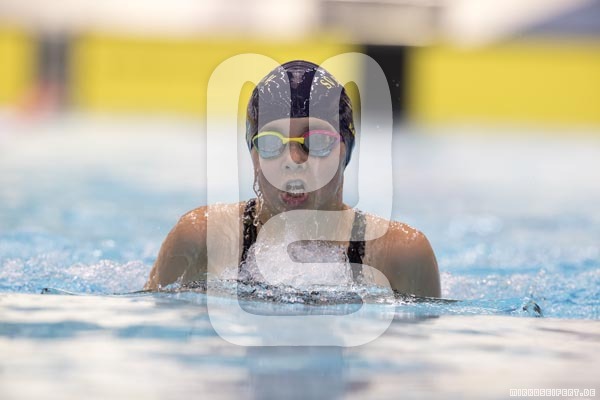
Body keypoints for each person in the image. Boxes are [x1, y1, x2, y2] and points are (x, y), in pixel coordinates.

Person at [144, 60, 441, 297]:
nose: (294, 161)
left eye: (316, 142)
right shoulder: (202, 238)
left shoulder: (397, 253)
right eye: (272, 143)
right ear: (253, 156)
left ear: (345, 151)